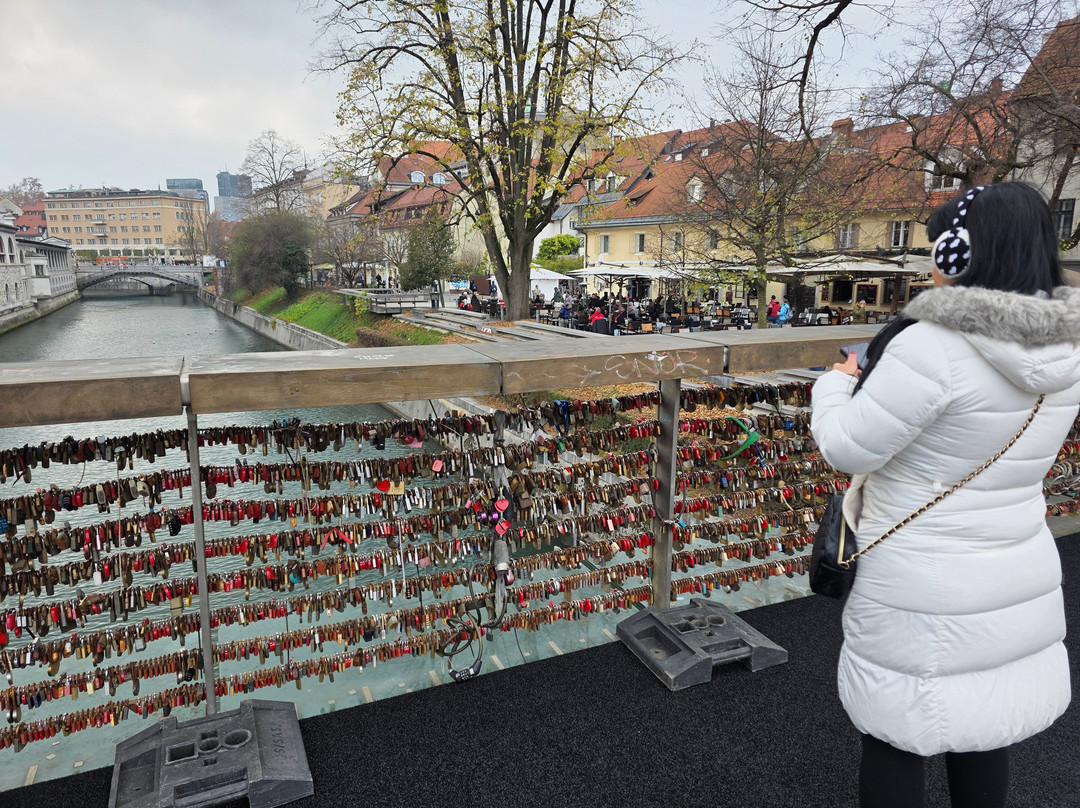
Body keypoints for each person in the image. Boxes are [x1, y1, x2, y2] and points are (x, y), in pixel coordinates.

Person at [810, 182, 1080, 808]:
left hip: (922, 571)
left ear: (960, 256)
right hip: (1014, 558)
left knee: (897, 729)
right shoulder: (1066, 345)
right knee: (984, 721)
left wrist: (834, 385)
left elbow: (848, 448)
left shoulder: (932, 345)